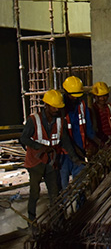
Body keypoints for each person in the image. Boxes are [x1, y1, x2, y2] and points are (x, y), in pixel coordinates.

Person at [20, 89, 83, 222]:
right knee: (35, 193)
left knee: (55, 193)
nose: (56, 110)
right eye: (54, 107)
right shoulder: (33, 120)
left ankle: (58, 222)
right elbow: (24, 138)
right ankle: (32, 222)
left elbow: (65, 141)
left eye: (58, 107)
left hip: (52, 163)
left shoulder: (60, 121)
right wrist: (40, 148)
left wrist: (75, 158)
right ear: (46, 105)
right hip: (36, 163)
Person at [60, 76, 98, 189]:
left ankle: (81, 206)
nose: (74, 99)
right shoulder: (60, 108)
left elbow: (89, 129)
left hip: (80, 151)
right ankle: (65, 206)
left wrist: (96, 143)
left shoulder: (81, 105)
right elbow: (62, 134)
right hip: (63, 153)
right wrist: (73, 150)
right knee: (64, 185)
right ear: (66, 93)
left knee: (80, 184)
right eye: (72, 96)